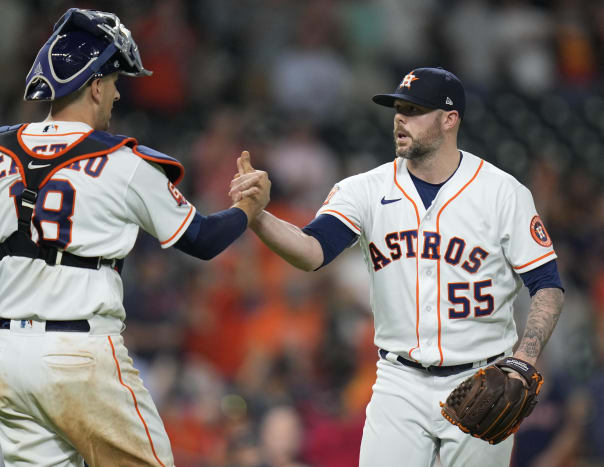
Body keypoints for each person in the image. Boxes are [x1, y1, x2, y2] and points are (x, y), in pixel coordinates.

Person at [0, 8, 269, 467]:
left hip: (9, 360)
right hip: (81, 356)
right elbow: (203, 240)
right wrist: (249, 206)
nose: (117, 93)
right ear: (93, 85)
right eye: (113, 83)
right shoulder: (122, 163)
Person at [229, 67, 565, 466]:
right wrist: (259, 217)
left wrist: (523, 359)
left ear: (449, 119)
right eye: (398, 108)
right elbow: (312, 250)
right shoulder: (365, 189)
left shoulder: (502, 192)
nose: (400, 118)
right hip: (398, 380)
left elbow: (547, 284)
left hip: (482, 379)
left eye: (415, 109)